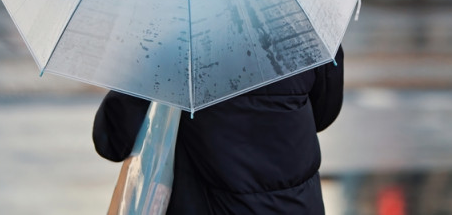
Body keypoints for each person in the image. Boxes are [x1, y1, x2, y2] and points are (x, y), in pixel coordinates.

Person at [93, 46, 344, 214]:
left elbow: (112, 140)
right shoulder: (305, 25)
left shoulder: (176, 36)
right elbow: (323, 114)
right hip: (296, 205)